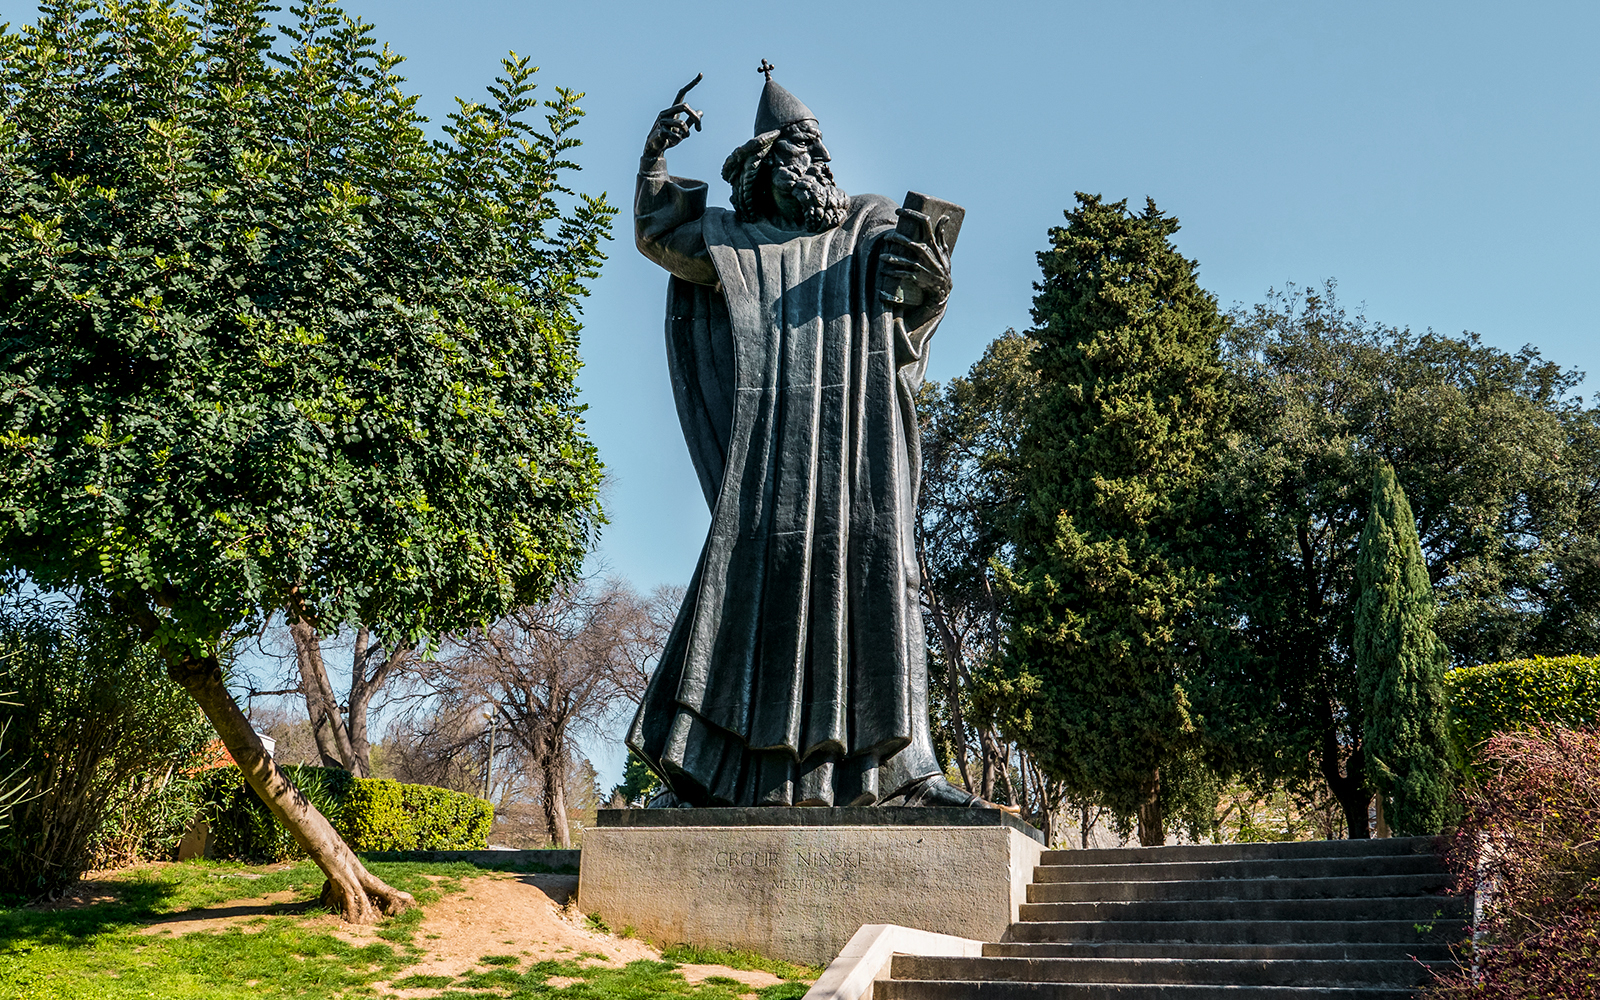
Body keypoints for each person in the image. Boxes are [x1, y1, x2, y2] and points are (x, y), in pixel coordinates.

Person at [627, 67, 991, 809]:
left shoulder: (868, 222)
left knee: (882, 582)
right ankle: (706, 772)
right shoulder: (733, 240)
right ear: (766, 169)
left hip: (862, 449)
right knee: (747, 592)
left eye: (823, 152)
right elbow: (663, 236)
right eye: (802, 154)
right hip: (768, 460)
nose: (822, 166)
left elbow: (917, 291)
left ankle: (906, 770)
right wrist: (653, 162)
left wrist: (933, 283)